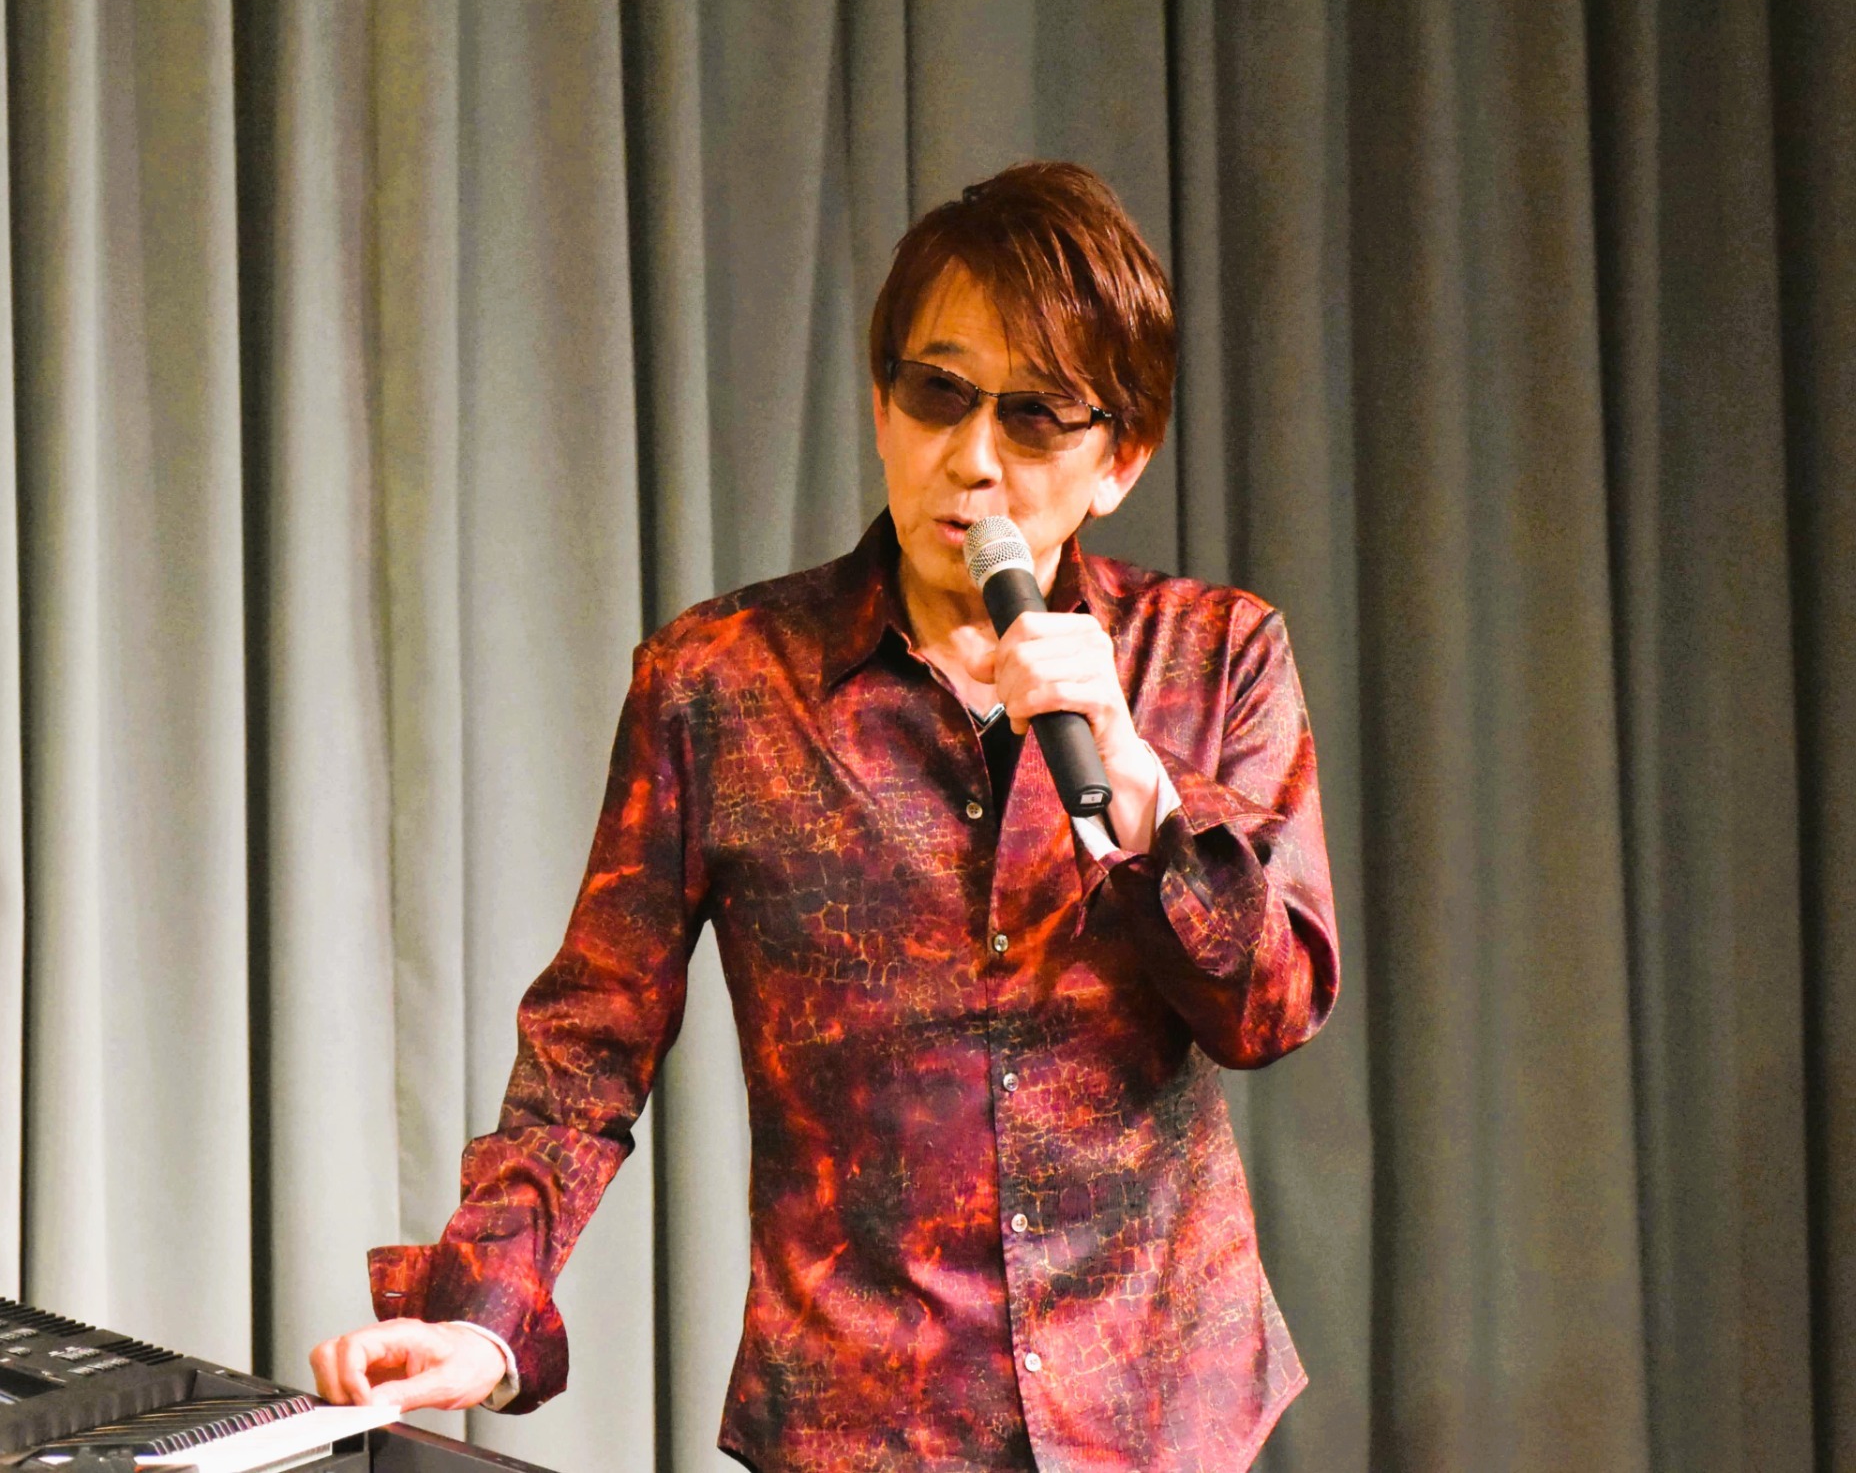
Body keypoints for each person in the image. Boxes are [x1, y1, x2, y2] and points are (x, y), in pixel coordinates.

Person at [311, 160, 1338, 1473]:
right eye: (939, 394)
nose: (975, 459)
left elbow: (1271, 1010)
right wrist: (483, 1314)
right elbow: (589, 1041)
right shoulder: (723, 683)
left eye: (1036, 418)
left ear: (1118, 459)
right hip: (861, 1424)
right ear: (882, 405)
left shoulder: (1214, 656)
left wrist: (1142, 794)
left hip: (1157, 1412)